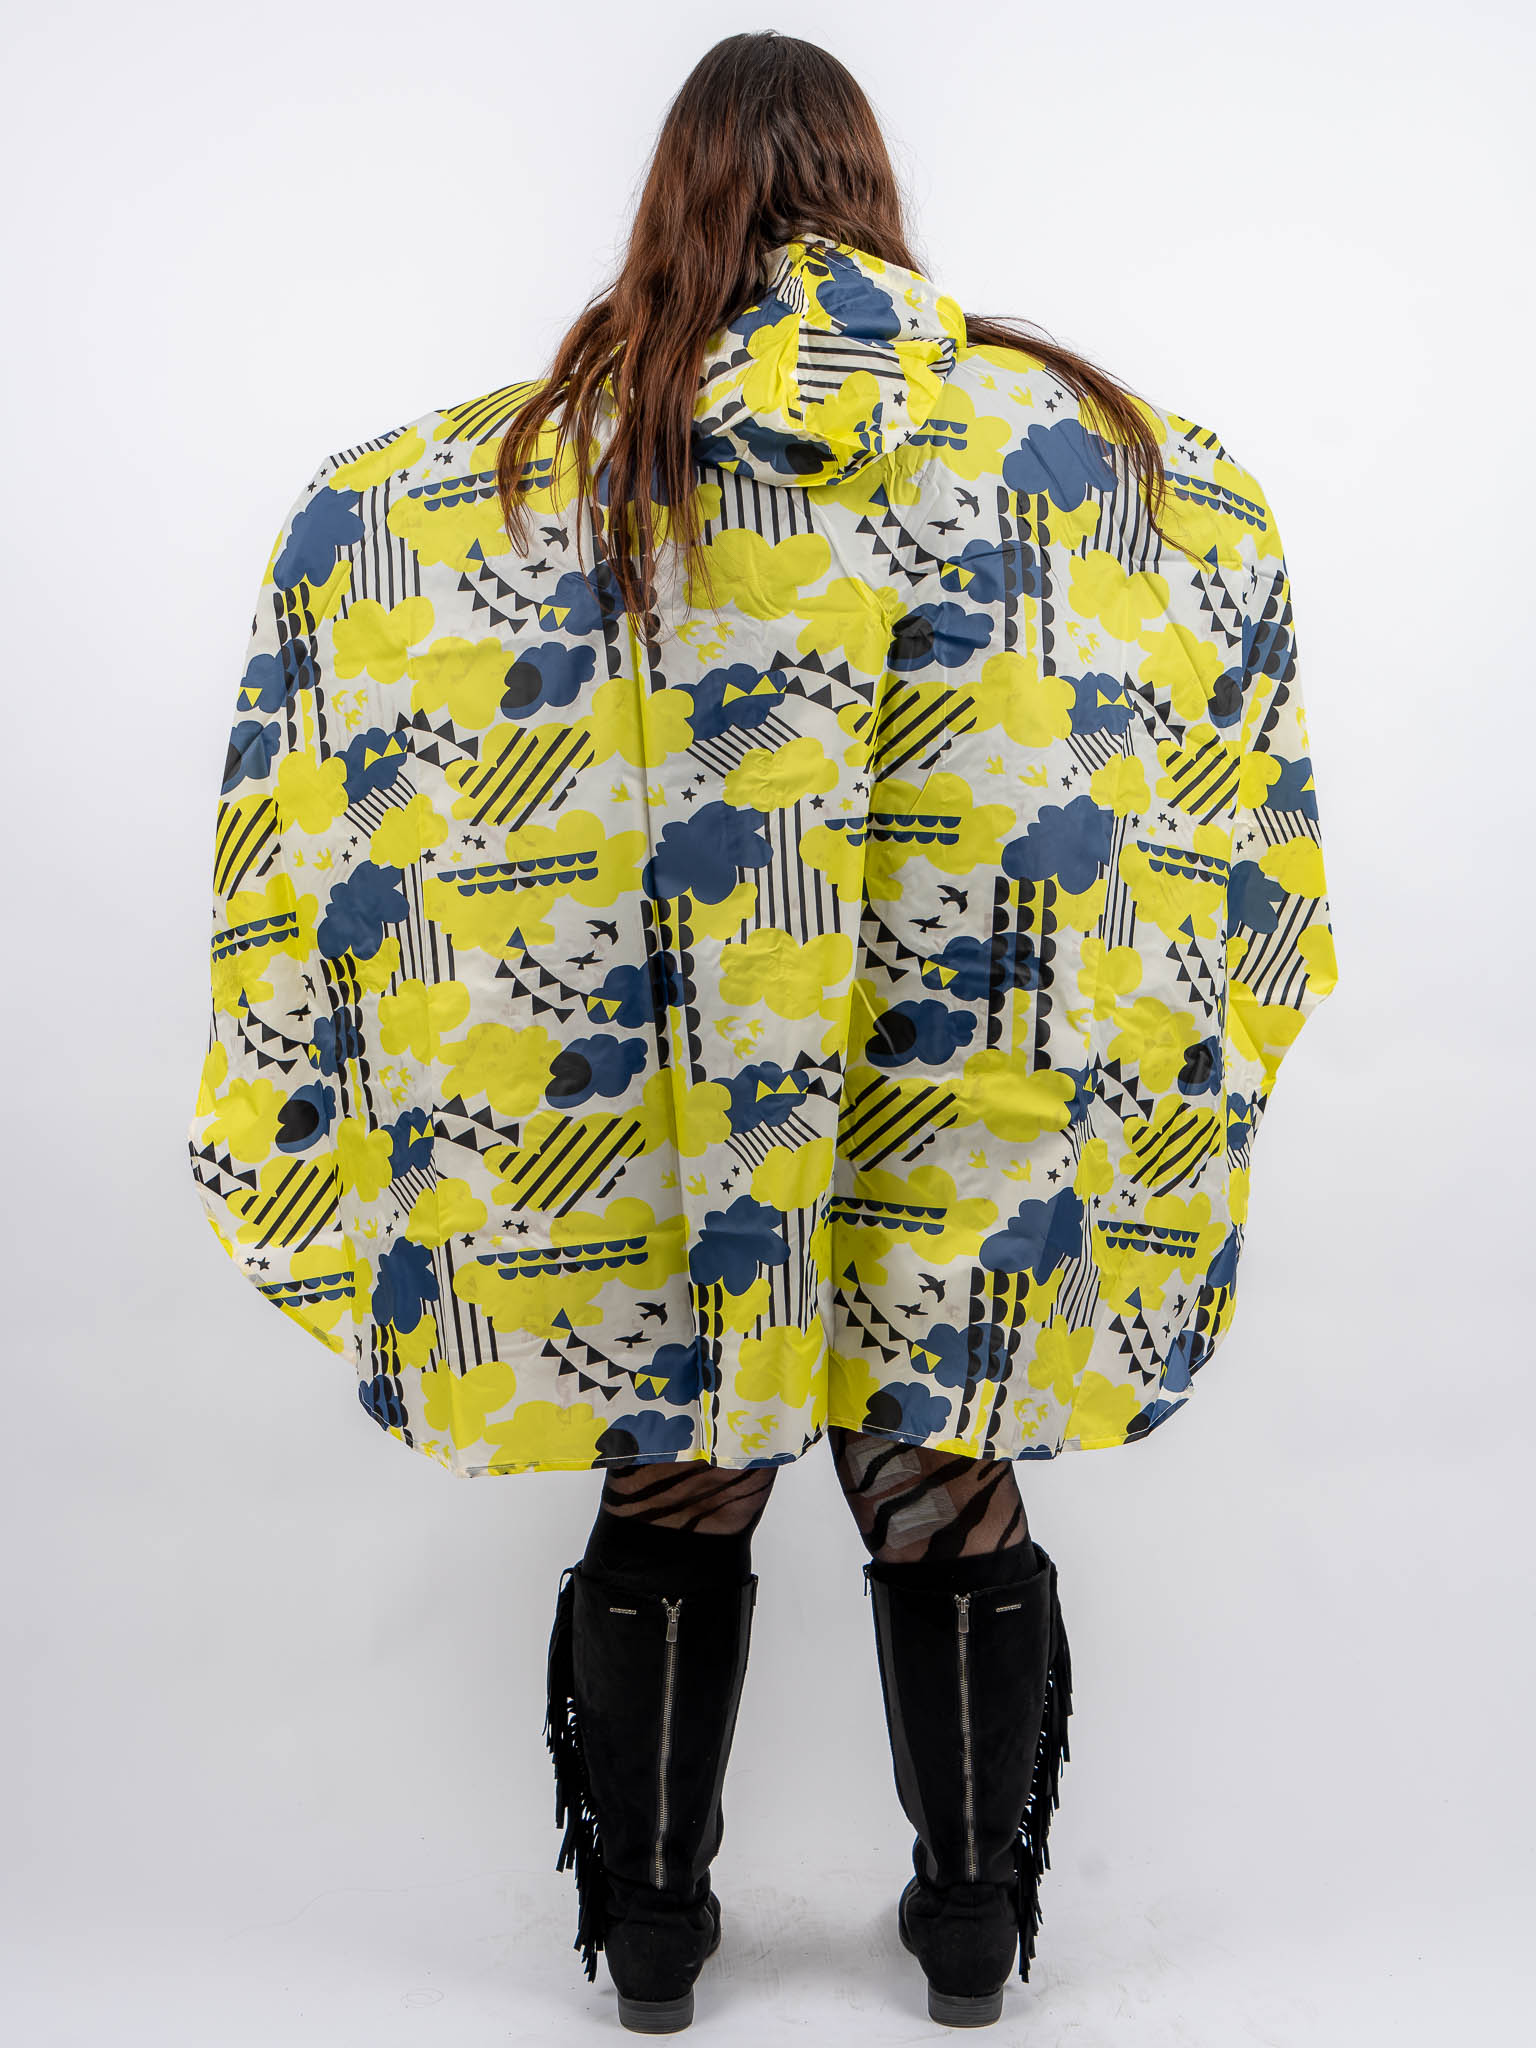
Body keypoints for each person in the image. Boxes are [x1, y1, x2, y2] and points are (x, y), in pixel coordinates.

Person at [187, 29, 1339, 2035]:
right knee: (938, 1458)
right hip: (968, 1104)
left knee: (679, 1458)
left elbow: (356, 730)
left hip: (665, 1122)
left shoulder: (497, 478)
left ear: (673, 191)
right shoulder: (1117, 472)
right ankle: (971, 1926)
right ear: (875, 188)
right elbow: (1228, 824)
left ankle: (651, 1938)